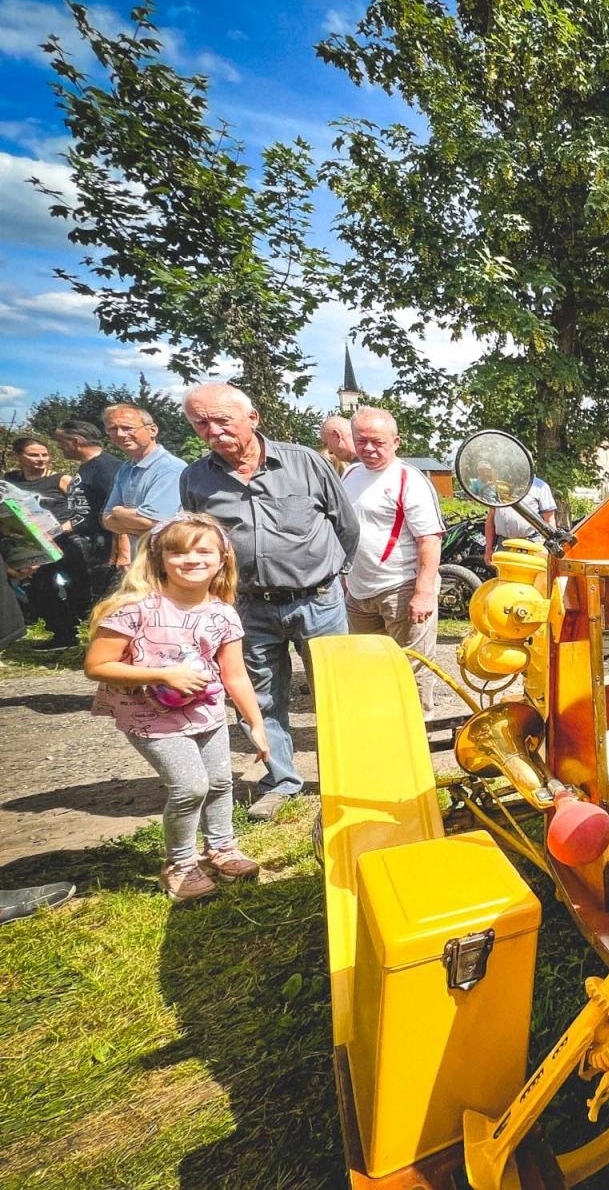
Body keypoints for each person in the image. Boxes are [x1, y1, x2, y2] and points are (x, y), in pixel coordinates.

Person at [179, 383, 359, 821]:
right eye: (202, 423)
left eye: (223, 420)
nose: (213, 431)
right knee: (259, 698)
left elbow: (346, 527)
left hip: (318, 600)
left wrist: (335, 576)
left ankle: (348, 775)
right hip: (247, 607)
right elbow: (198, 542)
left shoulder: (306, 462)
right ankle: (281, 781)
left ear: (253, 419)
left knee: (337, 693)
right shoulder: (195, 479)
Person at [84, 512, 269, 904]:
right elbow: (97, 666)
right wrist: (165, 674)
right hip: (152, 720)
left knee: (220, 783)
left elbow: (234, 675)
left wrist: (255, 722)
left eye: (204, 552)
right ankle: (180, 864)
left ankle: (221, 848)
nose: (192, 560)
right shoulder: (135, 608)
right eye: (179, 552)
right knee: (190, 787)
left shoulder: (222, 613)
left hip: (208, 715)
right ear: (159, 558)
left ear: (223, 559)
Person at [341, 407, 445, 712]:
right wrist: (346, 581)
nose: (369, 449)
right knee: (369, 665)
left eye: (378, 442)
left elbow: (429, 539)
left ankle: (416, 733)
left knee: (411, 667)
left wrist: (424, 593)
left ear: (396, 441)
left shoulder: (409, 480)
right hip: (359, 591)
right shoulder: (350, 474)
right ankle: (382, 728)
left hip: (402, 588)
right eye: (361, 441)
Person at [3, 436, 74, 647]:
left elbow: (82, 511)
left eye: (44, 454)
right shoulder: (10, 481)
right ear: (17, 456)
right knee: (40, 589)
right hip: (30, 544)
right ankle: (61, 635)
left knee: (75, 589)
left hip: (63, 539)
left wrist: (58, 530)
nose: (41, 459)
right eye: (33, 455)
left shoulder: (62, 479)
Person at [101, 403, 186, 576]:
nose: (120, 434)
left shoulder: (170, 468)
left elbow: (151, 522)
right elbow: (106, 519)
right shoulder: (125, 469)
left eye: (127, 427)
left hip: (164, 566)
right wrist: (134, 520)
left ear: (153, 430)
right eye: (112, 429)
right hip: (137, 565)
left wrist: (119, 512)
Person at [53, 420, 122, 621]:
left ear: (76, 441)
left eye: (60, 442)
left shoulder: (106, 468)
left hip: (101, 544)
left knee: (103, 598)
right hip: (85, 544)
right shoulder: (88, 467)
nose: (59, 447)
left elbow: (117, 509)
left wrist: (118, 552)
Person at [484, 470, 557, 551]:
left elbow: (550, 520)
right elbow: (490, 519)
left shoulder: (540, 486)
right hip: (503, 544)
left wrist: (550, 548)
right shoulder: (499, 486)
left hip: (531, 544)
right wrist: (488, 547)